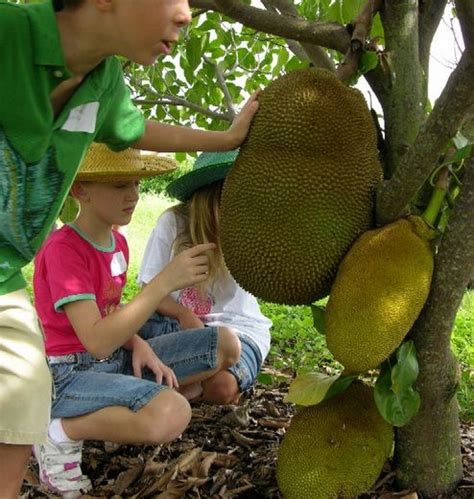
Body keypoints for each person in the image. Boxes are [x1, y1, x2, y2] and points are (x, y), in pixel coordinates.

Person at [0, 0, 258, 496]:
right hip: (71, 360)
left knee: (16, 419)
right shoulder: (9, 34)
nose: (186, 14)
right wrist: (167, 281)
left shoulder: (103, 83)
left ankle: (51, 437)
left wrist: (227, 136)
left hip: (6, 276)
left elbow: (138, 129)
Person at [32, 143, 241, 496]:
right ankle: (58, 432)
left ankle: (113, 413)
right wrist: (165, 282)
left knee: (224, 344)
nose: (132, 196)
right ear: (80, 190)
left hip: (112, 357)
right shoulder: (63, 250)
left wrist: (138, 342)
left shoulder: (117, 243)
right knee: (172, 413)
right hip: (68, 373)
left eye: (136, 185)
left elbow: (108, 311)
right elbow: (95, 340)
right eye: (119, 186)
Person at [138, 151, 272, 406]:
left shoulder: (250, 227)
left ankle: (184, 384)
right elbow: (149, 290)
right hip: (172, 323)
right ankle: (183, 384)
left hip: (239, 328)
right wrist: (183, 314)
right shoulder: (173, 222)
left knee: (221, 389)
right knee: (119, 323)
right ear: (214, 194)